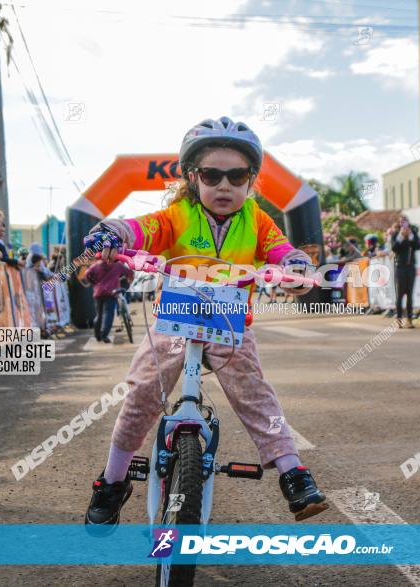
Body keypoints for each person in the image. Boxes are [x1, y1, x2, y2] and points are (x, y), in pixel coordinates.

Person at [82, 116, 327, 527]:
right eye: (212, 175)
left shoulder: (257, 220)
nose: (225, 185)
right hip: (174, 320)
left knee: (253, 391)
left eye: (238, 175)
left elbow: (282, 250)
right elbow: (140, 229)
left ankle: (292, 471)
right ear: (193, 177)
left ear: (251, 180)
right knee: (142, 389)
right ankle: (112, 479)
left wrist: (296, 267)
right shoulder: (177, 215)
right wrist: (112, 232)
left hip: (229, 322)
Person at [85, 256, 133, 343]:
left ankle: (97, 334)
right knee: (108, 314)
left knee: (99, 314)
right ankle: (104, 334)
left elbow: (87, 274)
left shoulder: (95, 266)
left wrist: (93, 283)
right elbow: (129, 272)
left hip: (98, 292)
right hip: (111, 293)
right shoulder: (117, 265)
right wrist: (129, 281)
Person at [391, 217, 420, 328]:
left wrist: (410, 236)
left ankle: (409, 319)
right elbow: (394, 248)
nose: (404, 225)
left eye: (405, 222)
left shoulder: (413, 233)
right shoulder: (395, 235)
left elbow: (418, 246)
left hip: (411, 267)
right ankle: (399, 319)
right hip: (400, 267)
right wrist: (401, 236)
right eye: (401, 223)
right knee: (400, 295)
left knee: (410, 294)